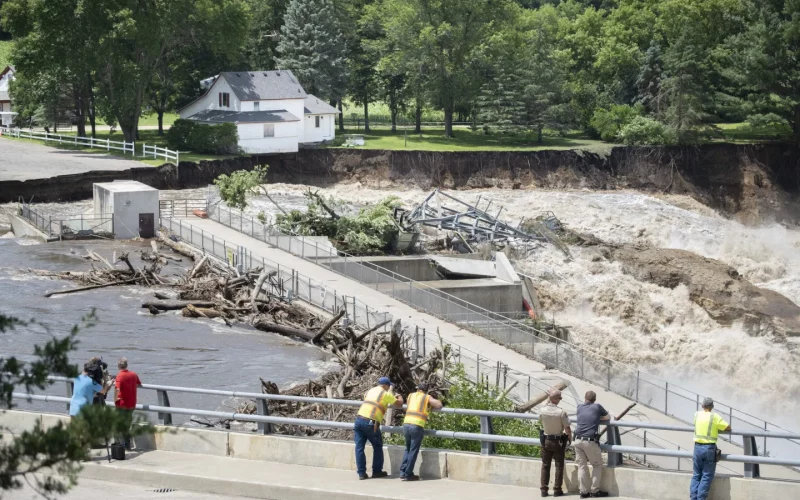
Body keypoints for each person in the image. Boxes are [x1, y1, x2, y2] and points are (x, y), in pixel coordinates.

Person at [354, 376, 404, 480]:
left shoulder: (371, 390)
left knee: (359, 448)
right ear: (385, 385)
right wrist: (399, 397)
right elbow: (399, 404)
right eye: (388, 386)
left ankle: (361, 473)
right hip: (370, 422)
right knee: (377, 446)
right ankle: (377, 471)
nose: (389, 387)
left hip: (359, 420)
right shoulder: (385, 394)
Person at [400, 381, 443, 481]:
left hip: (406, 423)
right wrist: (430, 403)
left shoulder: (411, 395)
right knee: (413, 450)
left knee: (408, 448)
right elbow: (439, 405)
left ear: (418, 389)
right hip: (417, 425)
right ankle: (408, 474)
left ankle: (402, 472)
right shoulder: (426, 397)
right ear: (426, 391)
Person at [690, 397, 731, 500]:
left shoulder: (697, 414)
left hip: (697, 447)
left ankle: (693, 498)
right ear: (712, 407)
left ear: (702, 406)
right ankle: (701, 498)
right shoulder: (714, 417)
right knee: (706, 476)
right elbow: (727, 427)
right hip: (709, 449)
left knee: (696, 475)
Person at [574, 391, 611, 498]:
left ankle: (583, 492)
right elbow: (607, 418)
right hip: (589, 441)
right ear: (595, 399)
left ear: (585, 398)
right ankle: (594, 491)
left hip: (577, 440)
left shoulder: (579, 407)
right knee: (597, 465)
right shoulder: (597, 407)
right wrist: (597, 418)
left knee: (582, 466)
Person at [538, 389, 572, 497]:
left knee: (545, 465)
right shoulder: (561, 412)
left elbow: (539, 416)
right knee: (559, 466)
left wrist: (548, 399)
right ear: (556, 399)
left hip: (546, 440)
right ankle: (557, 489)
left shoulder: (543, 410)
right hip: (558, 441)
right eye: (560, 398)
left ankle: (544, 489)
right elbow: (567, 427)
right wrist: (570, 437)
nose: (560, 400)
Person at [114, 357, 142, 450]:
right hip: (132, 404)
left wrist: (115, 400)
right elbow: (138, 383)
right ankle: (127, 444)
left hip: (122, 404)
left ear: (118, 366)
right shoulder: (133, 374)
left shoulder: (119, 376)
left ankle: (120, 445)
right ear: (126, 365)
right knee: (127, 424)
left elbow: (117, 389)